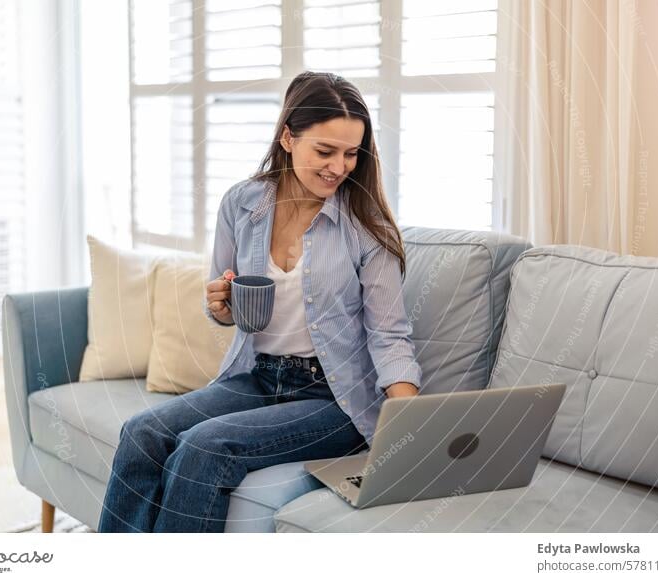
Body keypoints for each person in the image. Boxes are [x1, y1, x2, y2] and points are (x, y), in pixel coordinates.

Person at [98, 71, 422, 533]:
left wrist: (407, 420)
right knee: (141, 434)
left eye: (352, 153)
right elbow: (223, 301)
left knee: (204, 447)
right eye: (325, 151)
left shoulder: (364, 227)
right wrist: (221, 306)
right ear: (288, 137)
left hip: (335, 398)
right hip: (257, 375)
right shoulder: (242, 204)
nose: (340, 167)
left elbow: (389, 334)